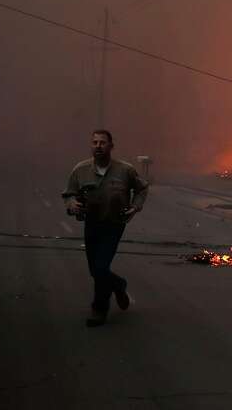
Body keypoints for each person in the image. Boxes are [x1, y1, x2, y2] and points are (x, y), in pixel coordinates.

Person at [65, 129, 149, 327]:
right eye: (94, 143)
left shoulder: (125, 170)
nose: (98, 146)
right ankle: (119, 285)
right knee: (95, 271)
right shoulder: (80, 169)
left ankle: (99, 309)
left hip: (114, 224)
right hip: (92, 223)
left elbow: (142, 188)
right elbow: (69, 193)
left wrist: (135, 207)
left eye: (103, 142)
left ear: (111, 146)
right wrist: (71, 204)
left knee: (101, 267)